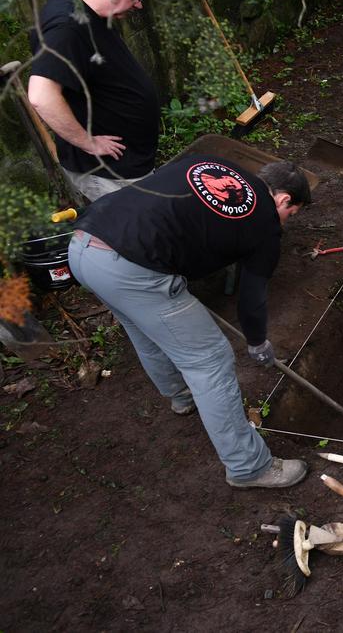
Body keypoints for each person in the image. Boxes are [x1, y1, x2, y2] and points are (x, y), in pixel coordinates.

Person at [67, 154, 313, 489]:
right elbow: (251, 296)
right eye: (291, 214)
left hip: (84, 246)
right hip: (131, 268)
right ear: (283, 199)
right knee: (210, 360)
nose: (284, 221)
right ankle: (249, 467)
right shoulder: (265, 222)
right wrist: (257, 341)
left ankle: (182, 395)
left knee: (145, 329)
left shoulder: (211, 162)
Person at [28, 0, 159, 202]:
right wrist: (88, 142)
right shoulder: (67, 28)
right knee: (127, 234)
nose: (139, 5)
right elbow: (40, 96)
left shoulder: (82, 5)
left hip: (123, 164)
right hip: (108, 173)